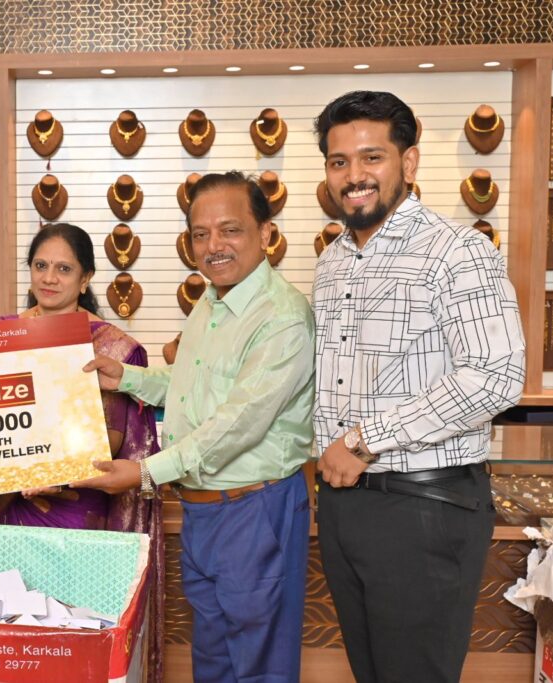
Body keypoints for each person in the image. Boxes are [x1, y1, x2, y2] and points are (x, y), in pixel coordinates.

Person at [311, 90, 526, 683]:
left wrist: (363, 440)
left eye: (372, 157)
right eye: (338, 161)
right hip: (345, 505)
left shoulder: (458, 251)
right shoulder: (333, 261)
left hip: (425, 507)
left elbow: (496, 377)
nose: (354, 176)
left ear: (408, 163)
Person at [76, 173, 315, 683]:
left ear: (266, 233)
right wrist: (128, 378)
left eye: (230, 230)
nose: (213, 246)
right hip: (204, 509)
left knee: (259, 665)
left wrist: (145, 473)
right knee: (213, 659)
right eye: (200, 234)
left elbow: (238, 423)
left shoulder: (282, 317)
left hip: (254, 508)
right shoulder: (212, 299)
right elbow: (193, 383)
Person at [0, 222, 165, 682]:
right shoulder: (0, 337)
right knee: (11, 641)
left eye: (63, 269)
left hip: (78, 517)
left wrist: (57, 474)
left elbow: (118, 441)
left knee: (71, 640)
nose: (49, 278)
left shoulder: (116, 348)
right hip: (10, 510)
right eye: (40, 265)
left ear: (85, 279)